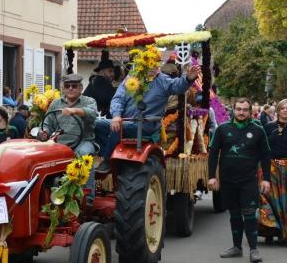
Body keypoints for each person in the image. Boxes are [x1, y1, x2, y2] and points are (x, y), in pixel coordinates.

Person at [95, 65, 201, 173]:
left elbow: (178, 86)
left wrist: (188, 78)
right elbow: (118, 99)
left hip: (145, 125)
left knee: (118, 127)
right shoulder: (131, 78)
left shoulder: (163, 80)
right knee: (95, 124)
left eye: (154, 64)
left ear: (158, 67)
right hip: (123, 121)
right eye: (147, 63)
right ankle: (105, 154)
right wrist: (116, 115)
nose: (152, 67)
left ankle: (107, 160)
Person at [208, 98, 271, 263]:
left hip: (249, 180)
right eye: (238, 109)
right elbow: (213, 153)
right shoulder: (222, 129)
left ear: (250, 112)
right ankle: (237, 248)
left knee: (250, 214)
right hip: (228, 180)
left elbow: (266, 156)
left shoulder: (258, 130)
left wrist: (266, 179)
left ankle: (253, 249)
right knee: (234, 214)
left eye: (245, 109)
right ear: (233, 111)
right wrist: (212, 176)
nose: (241, 112)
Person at [39, 74, 97, 207]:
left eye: (74, 86)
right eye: (67, 86)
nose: (71, 88)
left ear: (81, 88)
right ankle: (49, 196)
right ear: (63, 88)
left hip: (84, 141)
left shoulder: (89, 101)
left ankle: (87, 200)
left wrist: (75, 110)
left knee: (84, 155)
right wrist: (45, 132)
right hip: (60, 144)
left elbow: (92, 113)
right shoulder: (56, 103)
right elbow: (48, 123)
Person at [258, 98, 287, 242]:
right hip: (270, 168)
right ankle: (269, 230)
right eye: (283, 108)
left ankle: (284, 233)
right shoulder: (268, 127)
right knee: (269, 199)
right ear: (278, 110)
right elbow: (261, 148)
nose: (285, 111)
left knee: (284, 201)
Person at [83, 50, 116, 118]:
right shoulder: (102, 82)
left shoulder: (95, 80)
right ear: (101, 71)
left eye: (113, 71)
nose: (113, 74)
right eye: (110, 71)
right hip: (98, 119)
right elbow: (113, 100)